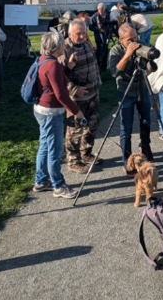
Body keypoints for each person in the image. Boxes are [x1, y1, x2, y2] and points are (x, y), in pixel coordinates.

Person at [32, 31, 85, 198]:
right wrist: (77, 112)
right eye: (62, 43)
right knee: (55, 150)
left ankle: (40, 181)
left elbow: (56, 79)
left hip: (41, 109)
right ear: (55, 46)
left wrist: (68, 67)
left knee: (45, 146)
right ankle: (58, 186)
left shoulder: (44, 60)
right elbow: (61, 94)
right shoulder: (53, 64)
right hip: (51, 112)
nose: (64, 45)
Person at [58, 19, 102, 173]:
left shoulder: (85, 44)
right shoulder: (64, 49)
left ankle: (86, 153)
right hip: (76, 99)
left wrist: (98, 82)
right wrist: (74, 89)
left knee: (93, 126)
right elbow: (60, 76)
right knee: (74, 131)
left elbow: (94, 64)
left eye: (84, 33)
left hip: (93, 94)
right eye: (78, 34)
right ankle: (73, 160)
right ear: (69, 33)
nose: (82, 36)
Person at [108, 23, 153, 175]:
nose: (135, 42)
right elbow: (114, 71)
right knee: (125, 128)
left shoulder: (142, 44)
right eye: (130, 40)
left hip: (142, 87)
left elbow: (149, 66)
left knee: (146, 120)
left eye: (135, 37)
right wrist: (127, 54)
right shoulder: (115, 50)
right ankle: (127, 161)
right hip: (125, 90)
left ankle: (145, 147)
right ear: (121, 39)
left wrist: (150, 62)